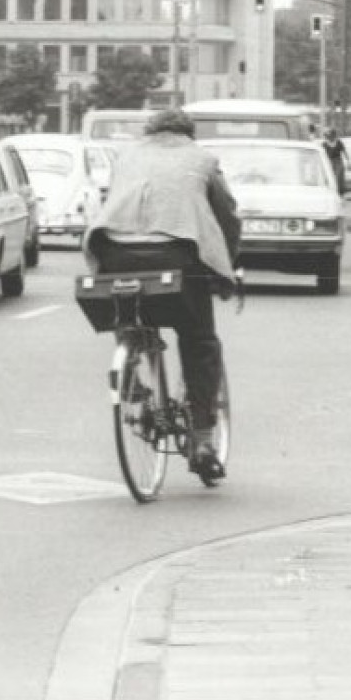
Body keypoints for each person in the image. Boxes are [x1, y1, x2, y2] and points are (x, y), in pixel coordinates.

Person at [83, 107, 241, 482]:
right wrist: (226, 262)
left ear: (149, 132)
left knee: (128, 304)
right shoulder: (203, 160)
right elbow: (226, 215)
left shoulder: (127, 156)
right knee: (199, 339)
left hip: (114, 251)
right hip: (177, 255)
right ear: (188, 134)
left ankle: (132, 375)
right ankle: (202, 439)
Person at [322, 127, 349, 195]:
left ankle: (340, 192)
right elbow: (322, 154)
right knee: (330, 176)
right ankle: (331, 191)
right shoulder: (324, 144)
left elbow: (344, 152)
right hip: (329, 161)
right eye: (328, 136)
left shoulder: (339, 142)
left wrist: (348, 162)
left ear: (334, 135)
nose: (330, 137)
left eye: (331, 135)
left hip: (338, 161)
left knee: (338, 176)